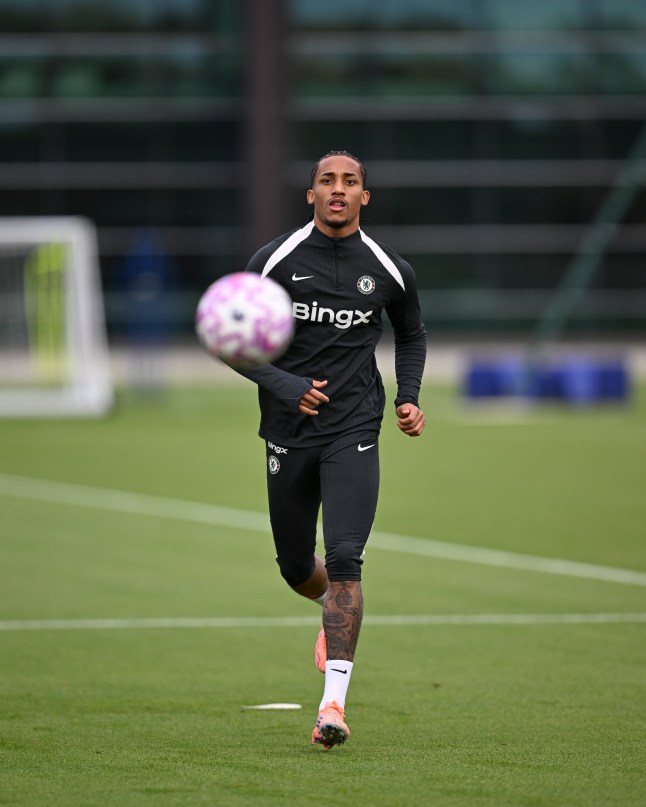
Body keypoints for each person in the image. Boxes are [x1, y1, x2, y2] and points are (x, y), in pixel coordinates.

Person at [236, 150, 426, 749]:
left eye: (349, 182)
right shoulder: (274, 260)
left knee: (346, 556)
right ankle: (327, 608)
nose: (338, 189)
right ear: (311, 194)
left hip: (355, 426)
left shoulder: (390, 269)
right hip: (288, 433)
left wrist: (409, 396)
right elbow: (232, 341)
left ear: (364, 196)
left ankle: (333, 706)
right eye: (327, 181)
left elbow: (411, 333)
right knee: (296, 567)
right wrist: (286, 386)